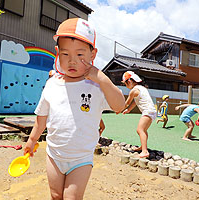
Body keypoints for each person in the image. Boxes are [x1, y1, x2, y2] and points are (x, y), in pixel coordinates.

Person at [24, 18, 125, 200]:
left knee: (71, 197)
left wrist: (103, 79)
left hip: (81, 159)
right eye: (65, 54)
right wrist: (32, 140)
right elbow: (42, 117)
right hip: (54, 154)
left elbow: (120, 105)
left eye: (80, 55)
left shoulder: (95, 86)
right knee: (55, 195)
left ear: (92, 55)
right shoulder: (51, 84)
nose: (72, 61)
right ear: (57, 52)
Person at [118, 71, 157, 158]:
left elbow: (127, 103)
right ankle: (143, 147)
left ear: (130, 81)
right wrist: (128, 110)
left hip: (148, 111)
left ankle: (144, 151)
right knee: (143, 130)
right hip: (151, 111)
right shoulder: (141, 88)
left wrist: (119, 109)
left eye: (125, 84)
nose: (126, 86)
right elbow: (135, 103)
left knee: (140, 130)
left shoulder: (134, 91)